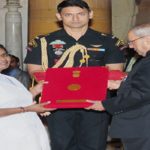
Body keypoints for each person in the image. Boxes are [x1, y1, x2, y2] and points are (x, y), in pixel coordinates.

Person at [24, 0, 125, 150]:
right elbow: (35, 71)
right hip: (58, 102)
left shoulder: (109, 41)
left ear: (90, 14)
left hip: (95, 103)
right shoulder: (42, 42)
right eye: (69, 15)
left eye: (80, 14)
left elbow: (114, 72)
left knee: (95, 145)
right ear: (59, 16)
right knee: (61, 145)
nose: (75, 18)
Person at [86, 23, 150, 150]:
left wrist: (105, 104)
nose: (131, 47)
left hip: (143, 126)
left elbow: (141, 93)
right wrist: (121, 85)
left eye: (132, 42)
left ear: (148, 39)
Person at [0, 45, 53, 150]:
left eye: (4, 54)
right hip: (7, 136)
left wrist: (37, 90)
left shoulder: (9, 79)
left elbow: (19, 100)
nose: (3, 58)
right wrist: (28, 109)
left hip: (27, 133)